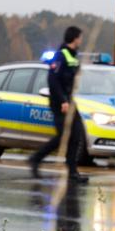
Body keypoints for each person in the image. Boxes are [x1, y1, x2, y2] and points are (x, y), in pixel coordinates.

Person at [29, 26, 88, 184]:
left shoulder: (73, 56)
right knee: (63, 137)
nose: (81, 40)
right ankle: (35, 159)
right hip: (60, 103)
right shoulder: (60, 55)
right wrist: (62, 101)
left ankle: (72, 172)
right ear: (74, 38)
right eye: (80, 37)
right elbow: (53, 80)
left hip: (70, 102)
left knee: (76, 135)